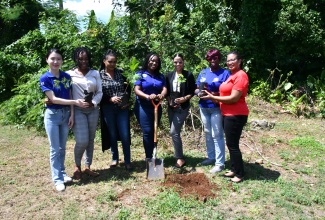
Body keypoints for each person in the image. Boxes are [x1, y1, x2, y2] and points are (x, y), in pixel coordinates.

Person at [40, 48, 88, 191]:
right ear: (47, 60)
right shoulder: (45, 78)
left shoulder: (66, 77)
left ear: (62, 61)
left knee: (62, 148)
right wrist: (74, 103)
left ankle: (62, 173)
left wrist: (72, 115)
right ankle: (57, 179)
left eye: (58, 59)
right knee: (55, 149)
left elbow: (70, 96)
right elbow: (53, 99)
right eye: (53, 59)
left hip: (66, 115)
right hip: (52, 117)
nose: (56, 62)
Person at [201, 51, 249, 183]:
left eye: (233, 60)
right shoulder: (232, 75)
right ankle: (234, 169)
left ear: (239, 61)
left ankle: (239, 174)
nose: (230, 63)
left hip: (236, 114)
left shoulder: (241, 76)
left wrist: (213, 97)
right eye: (228, 61)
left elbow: (234, 98)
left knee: (233, 145)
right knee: (230, 143)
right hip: (227, 114)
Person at [67, 47, 103, 179]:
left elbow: (100, 91)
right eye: (80, 58)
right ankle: (77, 166)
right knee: (82, 140)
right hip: (77, 110)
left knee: (91, 140)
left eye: (86, 58)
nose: (83, 61)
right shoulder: (69, 74)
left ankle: (88, 166)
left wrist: (93, 102)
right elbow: (66, 93)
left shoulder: (95, 73)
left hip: (93, 109)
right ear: (75, 59)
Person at [195, 49, 230, 173]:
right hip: (203, 107)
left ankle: (220, 163)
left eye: (215, 58)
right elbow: (196, 87)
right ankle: (211, 157)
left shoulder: (225, 73)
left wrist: (213, 94)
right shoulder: (203, 72)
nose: (212, 60)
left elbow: (228, 91)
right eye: (210, 58)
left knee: (217, 134)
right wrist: (198, 92)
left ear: (219, 58)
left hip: (216, 107)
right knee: (208, 132)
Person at [99, 49, 132, 170]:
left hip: (122, 108)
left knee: (124, 134)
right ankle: (115, 158)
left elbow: (128, 88)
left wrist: (126, 100)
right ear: (104, 61)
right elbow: (98, 92)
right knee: (112, 133)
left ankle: (127, 160)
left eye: (114, 62)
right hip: (108, 108)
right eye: (110, 62)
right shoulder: (99, 75)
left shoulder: (121, 73)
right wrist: (110, 99)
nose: (112, 64)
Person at [134, 52, 167, 159]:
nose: (154, 63)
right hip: (143, 106)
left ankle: (154, 155)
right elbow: (137, 90)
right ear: (147, 61)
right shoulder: (140, 74)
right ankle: (149, 157)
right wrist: (148, 96)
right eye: (152, 60)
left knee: (154, 131)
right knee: (147, 132)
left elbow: (164, 88)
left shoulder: (160, 76)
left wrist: (162, 95)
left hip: (157, 106)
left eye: (157, 61)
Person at [166, 54, 196, 168]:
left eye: (180, 62)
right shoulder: (169, 75)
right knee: (175, 133)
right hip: (171, 107)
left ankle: (180, 158)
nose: (178, 64)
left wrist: (184, 99)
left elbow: (192, 91)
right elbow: (167, 92)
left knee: (174, 132)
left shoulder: (188, 75)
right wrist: (169, 101)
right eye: (175, 62)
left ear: (183, 62)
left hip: (182, 108)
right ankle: (177, 154)